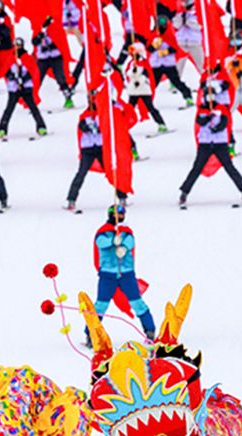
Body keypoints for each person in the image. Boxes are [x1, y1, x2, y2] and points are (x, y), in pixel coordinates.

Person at [93, 205, 156, 336]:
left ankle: (150, 330)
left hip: (126, 274)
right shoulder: (103, 231)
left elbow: (130, 242)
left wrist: (124, 247)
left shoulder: (126, 231)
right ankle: (92, 333)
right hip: (108, 274)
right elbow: (100, 242)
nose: (120, 217)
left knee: (137, 303)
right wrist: (113, 240)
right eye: (117, 214)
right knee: (100, 305)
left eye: (122, 214)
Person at [179, 100, 242, 207]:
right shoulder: (202, 109)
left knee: (229, 167)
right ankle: (184, 192)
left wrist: (217, 127)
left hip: (220, 143)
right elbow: (200, 121)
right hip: (205, 143)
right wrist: (209, 117)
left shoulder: (222, 108)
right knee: (197, 168)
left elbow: (225, 122)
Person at [65, 102, 119, 211]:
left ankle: (122, 195)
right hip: (87, 149)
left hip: (100, 148)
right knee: (81, 173)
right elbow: (82, 127)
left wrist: (97, 128)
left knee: (110, 171)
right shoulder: (84, 117)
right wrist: (90, 127)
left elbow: (106, 127)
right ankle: (71, 199)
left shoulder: (103, 116)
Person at [0, 45, 47, 138]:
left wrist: (24, 79)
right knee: (9, 108)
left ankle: (41, 126)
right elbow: (5, 71)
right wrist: (13, 77)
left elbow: (33, 71)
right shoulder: (10, 58)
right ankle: (2, 128)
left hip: (26, 87)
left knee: (33, 107)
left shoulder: (27, 58)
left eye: (19, 46)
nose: (17, 48)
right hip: (14, 88)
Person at [125, 46, 168, 134]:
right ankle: (124, 125)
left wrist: (138, 79)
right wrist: (132, 72)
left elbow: (147, 75)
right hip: (134, 90)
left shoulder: (144, 63)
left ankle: (161, 124)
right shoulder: (131, 63)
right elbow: (127, 74)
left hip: (144, 89)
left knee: (150, 107)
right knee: (129, 109)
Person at [34, 17, 75, 107]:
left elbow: (60, 41)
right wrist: (39, 37)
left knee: (60, 78)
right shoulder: (37, 29)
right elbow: (33, 42)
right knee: (37, 80)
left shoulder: (55, 28)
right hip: (42, 59)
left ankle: (68, 98)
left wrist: (51, 43)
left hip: (55, 57)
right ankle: (32, 102)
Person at [149, 36, 193, 107]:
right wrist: (154, 46)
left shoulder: (170, 35)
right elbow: (148, 48)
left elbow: (175, 48)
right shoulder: (151, 35)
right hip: (156, 64)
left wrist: (167, 51)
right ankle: (144, 102)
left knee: (176, 82)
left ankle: (188, 98)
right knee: (152, 84)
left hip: (169, 64)